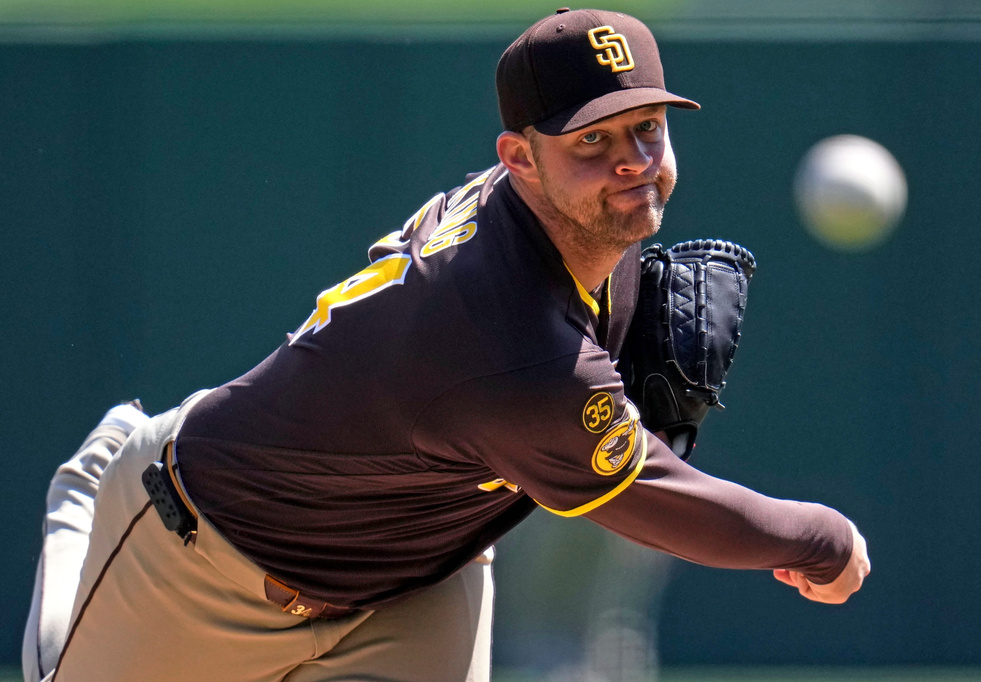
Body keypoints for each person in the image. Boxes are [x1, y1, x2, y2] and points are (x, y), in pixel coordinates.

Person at [23, 8, 870, 682]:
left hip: (417, 574)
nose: (632, 162)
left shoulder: (568, 231)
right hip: (203, 558)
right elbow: (664, 503)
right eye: (592, 140)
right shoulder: (512, 344)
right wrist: (821, 538)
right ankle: (96, 482)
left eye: (647, 127)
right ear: (519, 158)